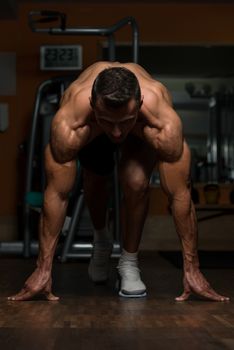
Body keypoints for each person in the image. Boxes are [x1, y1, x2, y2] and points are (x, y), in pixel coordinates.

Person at [8, 61, 229, 301]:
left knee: (136, 182)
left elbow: (180, 194)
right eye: (107, 121)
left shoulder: (162, 121)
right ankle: (101, 239)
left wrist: (192, 269)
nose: (115, 133)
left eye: (123, 122)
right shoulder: (70, 121)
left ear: (140, 104)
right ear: (93, 105)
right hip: (96, 130)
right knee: (94, 179)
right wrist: (42, 269)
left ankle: (129, 262)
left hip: (139, 130)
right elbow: (57, 193)